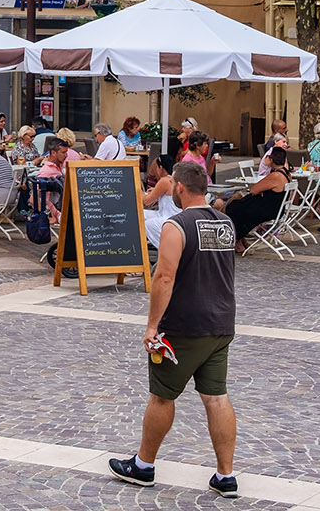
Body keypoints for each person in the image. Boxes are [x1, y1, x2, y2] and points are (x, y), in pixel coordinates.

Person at [109, 161, 239, 499]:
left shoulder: (176, 225)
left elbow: (164, 277)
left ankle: (143, 464)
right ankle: (226, 475)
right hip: (221, 322)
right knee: (216, 397)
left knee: (162, 396)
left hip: (185, 325)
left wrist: (153, 325)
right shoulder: (225, 223)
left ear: (179, 188)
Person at [222, 146, 290, 251]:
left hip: (268, 211)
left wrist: (266, 167)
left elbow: (254, 190)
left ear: (271, 159)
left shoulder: (276, 175)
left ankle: (237, 239)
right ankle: (241, 238)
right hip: (276, 209)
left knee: (234, 207)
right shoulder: (287, 174)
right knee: (240, 205)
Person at [141, 154, 183, 248]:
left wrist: (137, 189)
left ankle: (162, 247)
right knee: (139, 213)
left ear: (160, 167)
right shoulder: (175, 178)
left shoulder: (165, 180)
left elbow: (146, 201)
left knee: (148, 223)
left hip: (169, 217)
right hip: (171, 215)